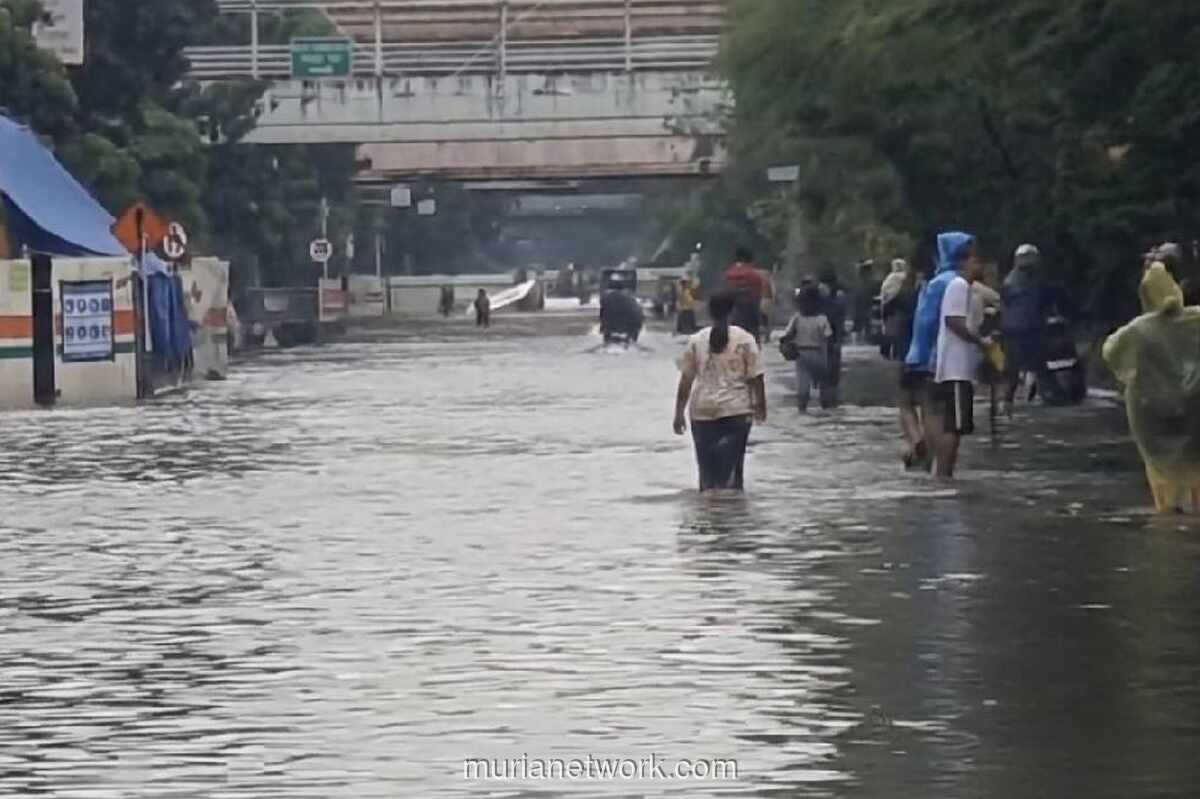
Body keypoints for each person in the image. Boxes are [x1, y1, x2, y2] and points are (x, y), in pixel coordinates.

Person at [1103, 261, 1200, 513]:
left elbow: (1110, 352)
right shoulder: (1195, 318)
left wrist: (1133, 373)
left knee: (1159, 466)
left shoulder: (1138, 329)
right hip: (1194, 404)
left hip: (1150, 410)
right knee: (1195, 458)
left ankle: (1169, 515)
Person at [673, 292, 767, 492]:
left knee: (706, 476)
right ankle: (731, 510)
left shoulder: (696, 340)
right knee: (733, 474)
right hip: (736, 410)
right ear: (733, 311)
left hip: (702, 411)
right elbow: (756, 377)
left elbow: (686, 380)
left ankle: (708, 510)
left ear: (709, 312)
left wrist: (678, 414)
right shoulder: (745, 339)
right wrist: (761, 406)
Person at [930, 232, 991, 479]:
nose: (980, 266)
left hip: (960, 368)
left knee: (956, 426)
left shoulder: (963, 287)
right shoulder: (958, 286)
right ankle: (944, 477)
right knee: (953, 428)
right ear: (965, 262)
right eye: (976, 262)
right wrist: (980, 341)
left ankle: (945, 474)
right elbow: (954, 321)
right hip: (955, 369)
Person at [780, 283, 834, 412]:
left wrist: (784, 345)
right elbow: (829, 339)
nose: (803, 306)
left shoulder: (797, 318)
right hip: (818, 356)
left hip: (802, 355)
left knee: (803, 387)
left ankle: (803, 409)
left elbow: (787, 336)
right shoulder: (822, 319)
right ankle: (825, 408)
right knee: (823, 384)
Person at [723, 247, 767, 343]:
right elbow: (757, 296)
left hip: (731, 314)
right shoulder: (754, 275)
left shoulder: (727, 274)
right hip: (749, 314)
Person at [818, 271, 848, 406]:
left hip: (831, 339)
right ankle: (828, 399)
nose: (820, 287)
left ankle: (830, 398)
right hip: (827, 340)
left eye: (822, 285)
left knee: (832, 371)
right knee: (829, 371)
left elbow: (839, 321)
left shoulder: (836, 300)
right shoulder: (826, 299)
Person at [881, 259, 920, 361]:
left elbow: (885, 294)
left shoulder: (890, 278)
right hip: (898, 307)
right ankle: (896, 353)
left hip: (892, 307)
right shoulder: (903, 277)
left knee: (890, 331)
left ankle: (888, 352)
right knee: (897, 332)